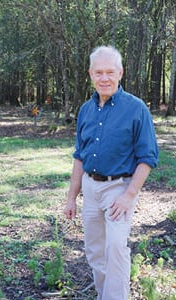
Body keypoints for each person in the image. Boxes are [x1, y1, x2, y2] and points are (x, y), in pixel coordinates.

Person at [63, 45, 159, 300]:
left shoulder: (136, 109)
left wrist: (129, 195)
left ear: (120, 73)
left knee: (116, 247)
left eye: (110, 72)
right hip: (90, 189)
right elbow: (79, 157)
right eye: (99, 72)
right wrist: (72, 197)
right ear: (91, 74)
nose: (104, 78)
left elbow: (147, 158)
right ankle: (104, 294)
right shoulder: (85, 110)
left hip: (119, 188)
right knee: (94, 250)